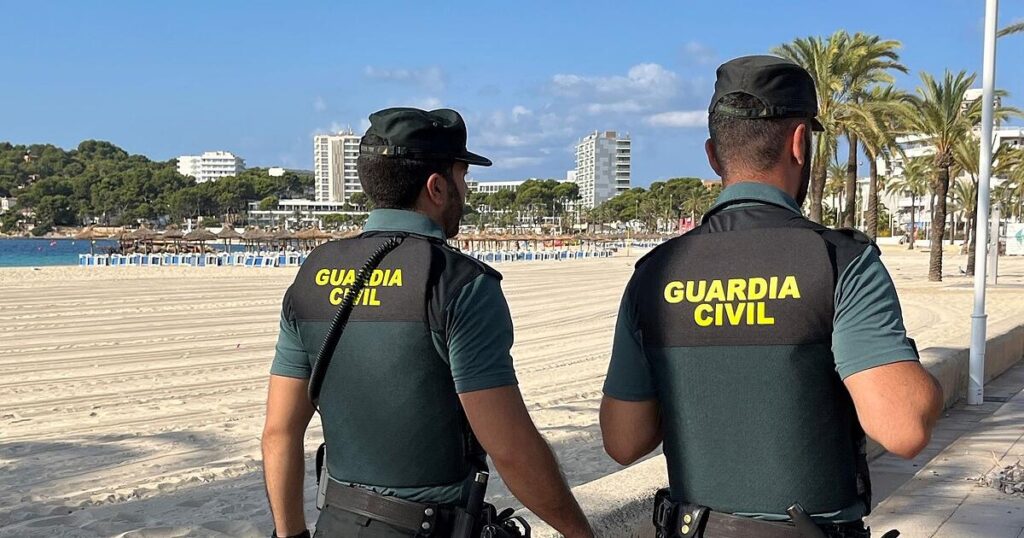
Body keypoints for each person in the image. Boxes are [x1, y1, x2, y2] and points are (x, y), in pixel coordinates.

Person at [599, 56, 944, 538]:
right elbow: (903, 428)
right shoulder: (839, 260)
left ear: (713, 155)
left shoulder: (654, 273)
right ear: (800, 143)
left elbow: (623, 440)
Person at [262, 107, 593, 538]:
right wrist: (580, 533)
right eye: (463, 178)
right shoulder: (458, 283)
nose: (465, 193)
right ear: (436, 187)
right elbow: (512, 449)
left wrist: (290, 536)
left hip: (336, 522)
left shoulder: (312, 274)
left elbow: (279, 433)